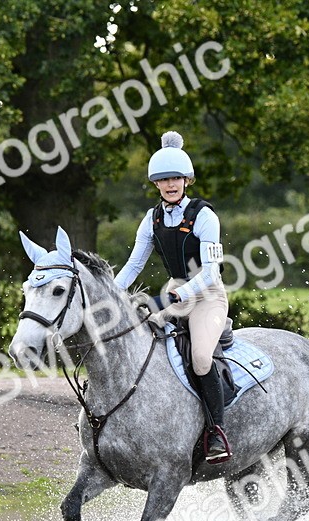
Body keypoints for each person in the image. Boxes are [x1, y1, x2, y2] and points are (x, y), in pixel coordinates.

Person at [113, 130, 231, 463]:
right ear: (156, 184)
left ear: (186, 180)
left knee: (201, 359)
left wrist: (181, 292)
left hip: (206, 295)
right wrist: (111, 294)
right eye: (164, 180)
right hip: (174, 292)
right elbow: (133, 265)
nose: (170, 184)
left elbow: (210, 273)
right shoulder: (151, 220)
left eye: (176, 178)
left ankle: (217, 432)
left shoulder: (204, 216)